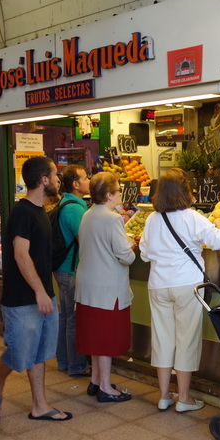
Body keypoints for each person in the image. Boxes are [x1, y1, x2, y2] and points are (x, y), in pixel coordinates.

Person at [0, 156, 72, 421]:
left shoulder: (41, 212)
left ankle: (40, 405)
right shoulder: (23, 212)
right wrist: (39, 291)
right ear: (44, 180)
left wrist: (46, 292)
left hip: (42, 295)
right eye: (55, 174)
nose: (59, 179)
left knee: (39, 353)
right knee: (19, 353)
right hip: (22, 299)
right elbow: (21, 255)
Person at [140, 168, 220, 412]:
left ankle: (163, 395)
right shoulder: (192, 217)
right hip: (187, 286)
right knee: (186, 340)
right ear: (184, 190)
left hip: (158, 285)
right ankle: (184, 398)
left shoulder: (151, 220)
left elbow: (145, 254)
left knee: (162, 339)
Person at [75, 172, 136, 402]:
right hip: (108, 288)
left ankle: (95, 381)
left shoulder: (87, 214)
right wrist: (132, 248)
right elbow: (124, 257)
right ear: (109, 194)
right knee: (106, 339)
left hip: (87, 285)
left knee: (94, 336)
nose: (120, 193)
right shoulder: (112, 219)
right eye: (118, 190)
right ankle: (106, 388)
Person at [54, 164, 91, 379]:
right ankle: (76, 365)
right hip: (71, 269)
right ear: (76, 184)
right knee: (73, 318)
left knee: (65, 316)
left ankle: (64, 361)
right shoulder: (75, 209)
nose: (88, 181)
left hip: (62, 268)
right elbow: (84, 241)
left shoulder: (66, 203)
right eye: (85, 178)